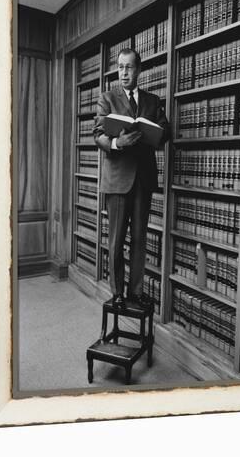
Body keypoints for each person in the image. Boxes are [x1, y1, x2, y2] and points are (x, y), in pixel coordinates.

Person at [93, 48, 170, 308]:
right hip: (117, 180)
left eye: (129, 67)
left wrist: (156, 132)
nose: (124, 72)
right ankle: (116, 293)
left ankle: (135, 291)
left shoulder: (152, 100)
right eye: (120, 67)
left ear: (138, 70)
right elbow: (98, 134)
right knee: (115, 239)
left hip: (143, 179)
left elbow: (165, 130)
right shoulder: (107, 98)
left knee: (139, 238)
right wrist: (117, 142)